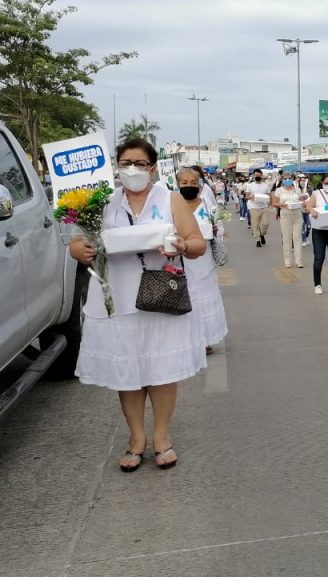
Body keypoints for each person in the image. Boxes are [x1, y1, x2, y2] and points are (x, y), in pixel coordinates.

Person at [69, 138, 209, 472]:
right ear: (116, 166)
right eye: (126, 163)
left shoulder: (170, 199)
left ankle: (161, 436)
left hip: (160, 297)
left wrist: (182, 246)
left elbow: (198, 243)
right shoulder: (100, 202)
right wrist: (79, 251)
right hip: (115, 298)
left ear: (153, 167)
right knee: (128, 374)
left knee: (162, 371)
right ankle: (136, 438)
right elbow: (76, 242)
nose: (132, 170)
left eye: (140, 164)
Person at [176, 168, 229, 354]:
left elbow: (220, 228)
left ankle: (205, 340)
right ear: (177, 184)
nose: (189, 186)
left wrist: (215, 230)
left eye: (193, 183)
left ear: (199, 185)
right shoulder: (172, 205)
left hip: (204, 260)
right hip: (180, 260)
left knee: (204, 299)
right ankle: (187, 340)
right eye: (184, 183)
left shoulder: (207, 205)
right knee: (186, 297)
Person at [275, 172, 307, 268]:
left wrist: (303, 201)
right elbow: (274, 203)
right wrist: (281, 204)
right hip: (285, 215)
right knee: (286, 238)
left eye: (289, 178)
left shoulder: (297, 190)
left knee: (297, 238)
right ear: (282, 180)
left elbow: (302, 200)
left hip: (297, 214)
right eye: (285, 178)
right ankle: (287, 261)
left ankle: (299, 261)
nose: (287, 180)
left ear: (293, 179)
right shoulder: (279, 190)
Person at [246, 169, 273, 247]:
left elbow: (270, 196)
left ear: (261, 176)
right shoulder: (250, 185)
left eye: (259, 175)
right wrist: (251, 197)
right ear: (253, 176)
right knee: (255, 224)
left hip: (264, 207)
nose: (257, 176)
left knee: (265, 224)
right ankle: (257, 240)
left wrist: (270, 204)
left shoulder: (266, 185)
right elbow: (246, 196)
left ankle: (262, 234)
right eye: (256, 175)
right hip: (254, 207)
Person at [297, 172, 312, 247]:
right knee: (302, 225)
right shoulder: (297, 189)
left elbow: (311, 198)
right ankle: (303, 240)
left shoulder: (309, 189)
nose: (303, 182)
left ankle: (306, 236)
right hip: (300, 210)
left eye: (304, 180)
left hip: (307, 210)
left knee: (309, 226)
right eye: (301, 180)